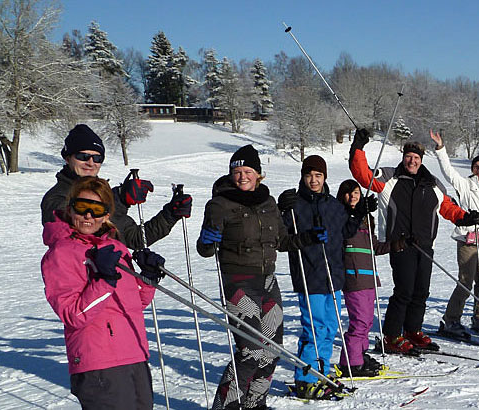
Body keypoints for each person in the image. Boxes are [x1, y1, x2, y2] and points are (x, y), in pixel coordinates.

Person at [196, 145, 317, 408]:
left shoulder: (268, 202)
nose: (242, 176)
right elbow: (205, 249)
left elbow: (283, 241)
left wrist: (308, 237)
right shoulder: (219, 204)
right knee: (250, 351)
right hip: (238, 283)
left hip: (267, 281)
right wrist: (207, 241)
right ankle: (225, 406)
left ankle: (254, 403)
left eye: (248, 171)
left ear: (258, 174)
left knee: (272, 349)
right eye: (237, 171)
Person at [349, 129, 479, 354]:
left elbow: (447, 207)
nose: (412, 161)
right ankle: (391, 336)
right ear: (403, 157)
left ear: (421, 161)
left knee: (421, 291)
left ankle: (413, 331)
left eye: (416, 158)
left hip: (426, 246)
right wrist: (358, 148)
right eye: (409, 157)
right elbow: (363, 175)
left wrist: (465, 217)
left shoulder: (433, 184)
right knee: (404, 290)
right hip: (400, 245)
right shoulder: (390, 177)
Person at [41, 176, 166, 409]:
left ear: (106, 215)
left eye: (96, 209)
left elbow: (134, 303)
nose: (88, 215)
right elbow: (72, 314)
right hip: (98, 361)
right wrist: (103, 279)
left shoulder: (116, 248)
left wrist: (147, 279)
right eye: (82, 207)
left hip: (134, 353)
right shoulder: (61, 253)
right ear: (70, 209)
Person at [276, 156, 368, 399]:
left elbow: (346, 231)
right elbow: (279, 237)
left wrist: (358, 211)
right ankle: (307, 379)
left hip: (334, 277)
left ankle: (322, 371)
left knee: (329, 328)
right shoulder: (295, 206)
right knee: (314, 329)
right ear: (303, 177)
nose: (314, 180)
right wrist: (281, 208)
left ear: (325, 177)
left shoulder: (333, 205)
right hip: (310, 276)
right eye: (309, 175)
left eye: (318, 175)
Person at [41, 124, 192, 250]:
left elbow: (135, 238)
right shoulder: (56, 198)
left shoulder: (101, 194)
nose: (91, 163)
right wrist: (119, 198)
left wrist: (170, 215)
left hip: (114, 281)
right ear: (68, 158)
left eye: (97, 158)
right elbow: (82, 230)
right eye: (83, 157)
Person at [430, 130, 479, 338]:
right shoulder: (465, 185)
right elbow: (448, 172)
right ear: (473, 169)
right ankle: (451, 319)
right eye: (476, 166)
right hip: (468, 239)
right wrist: (440, 149)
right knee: (466, 280)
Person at [333, 179, 401, 377]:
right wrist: (358, 212)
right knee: (360, 322)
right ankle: (351, 363)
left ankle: (360, 355)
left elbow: (375, 247)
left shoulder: (365, 219)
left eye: (356, 192)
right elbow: (344, 234)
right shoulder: (341, 216)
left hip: (369, 276)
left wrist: (399, 244)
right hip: (354, 277)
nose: (353, 196)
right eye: (348, 193)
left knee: (367, 321)